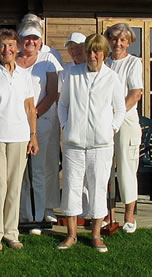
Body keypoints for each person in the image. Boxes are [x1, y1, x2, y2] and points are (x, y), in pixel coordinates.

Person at [57, 34, 126, 252]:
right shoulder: (73, 74)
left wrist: (111, 128)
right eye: (89, 51)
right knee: (71, 187)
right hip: (73, 143)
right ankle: (71, 235)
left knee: (97, 188)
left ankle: (96, 235)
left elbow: (120, 108)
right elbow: (63, 105)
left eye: (96, 51)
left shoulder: (112, 78)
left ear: (104, 53)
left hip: (101, 145)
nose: (92, 55)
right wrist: (65, 126)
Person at [0, 28, 39, 251]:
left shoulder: (25, 76)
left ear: (17, 47)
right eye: (2, 45)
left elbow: (31, 109)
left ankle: (11, 233)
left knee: (14, 187)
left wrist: (33, 136)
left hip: (20, 138)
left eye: (11, 45)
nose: (7, 49)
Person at [16, 21, 62, 234]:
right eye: (27, 38)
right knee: (21, 172)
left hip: (41, 122)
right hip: (15, 124)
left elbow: (53, 93)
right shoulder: (11, 60)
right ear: (19, 40)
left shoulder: (48, 60)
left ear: (40, 41)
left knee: (38, 170)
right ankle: (23, 214)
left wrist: (34, 113)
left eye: (34, 38)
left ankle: (38, 215)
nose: (30, 42)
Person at [104, 23, 143, 233]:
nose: (117, 43)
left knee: (127, 169)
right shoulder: (105, 62)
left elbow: (135, 94)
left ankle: (129, 217)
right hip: (105, 123)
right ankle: (108, 215)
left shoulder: (134, 63)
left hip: (125, 122)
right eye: (114, 39)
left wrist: (115, 117)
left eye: (122, 40)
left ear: (128, 42)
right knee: (104, 169)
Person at [58, 32, 89, 218]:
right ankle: (73, 212)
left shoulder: (94, 68)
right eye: (71, 47)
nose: (74, 50)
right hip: (71, 130)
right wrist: (65, 125)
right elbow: (62, 102)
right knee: (72, 174)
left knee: (91, 174)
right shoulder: (65, 71)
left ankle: (90, 212)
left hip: (93, 131)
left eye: (78, 46)